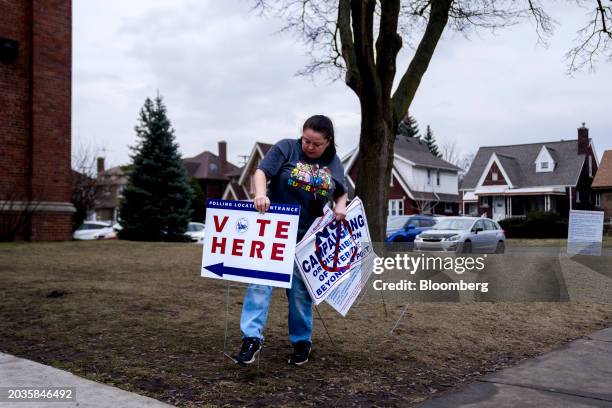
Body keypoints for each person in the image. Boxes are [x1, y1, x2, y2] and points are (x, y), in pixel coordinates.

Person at [236, 115, 348, 366]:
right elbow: (261, 172)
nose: (309, 146)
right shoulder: (286, 148)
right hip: (275, 230)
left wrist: (340, 207)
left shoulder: (333, 162)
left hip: (308, 237)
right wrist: (261, 195)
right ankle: (251, 339)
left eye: (316, 143)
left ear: (328, 142)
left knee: (299, 293)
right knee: (260, 283)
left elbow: (342, 192)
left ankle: (301, 341)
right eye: (306, 140)